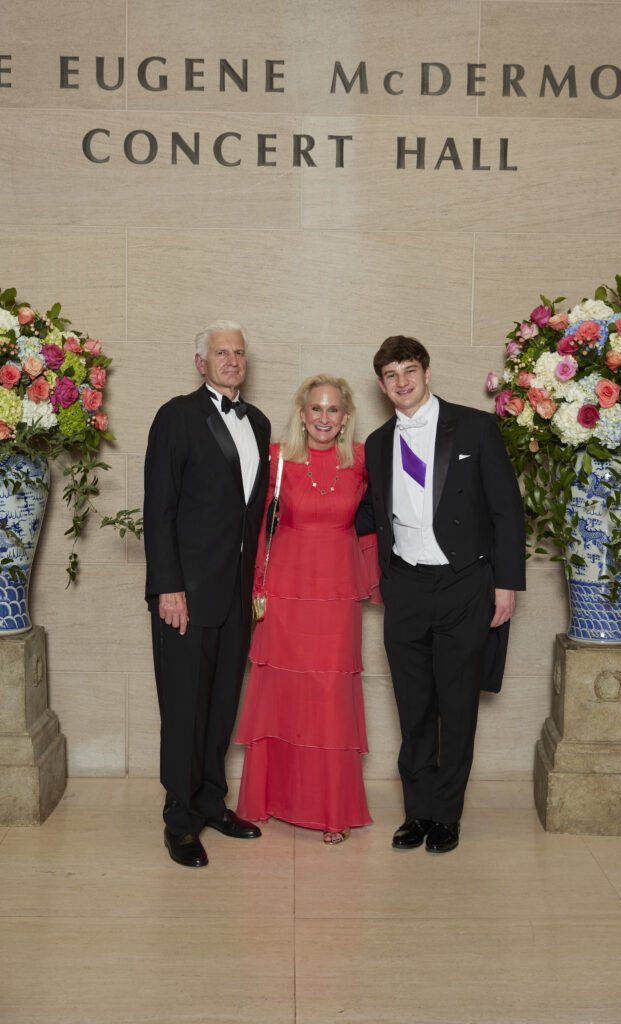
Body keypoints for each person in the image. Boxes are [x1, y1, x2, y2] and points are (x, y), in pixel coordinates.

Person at [355, 336, 526, 855]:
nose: (401, 381)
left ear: (427, 373)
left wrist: (507, 583)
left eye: (409, 370)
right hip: (405, 586)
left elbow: (505, 511)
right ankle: (418, 812)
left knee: (456, 704)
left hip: (464, 585)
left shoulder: (474, 426)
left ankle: (447, 815)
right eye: (391, 374)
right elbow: (368, 516)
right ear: (381, 385)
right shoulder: (379, 443)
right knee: (413, 706)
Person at [143, 321, 271, 868]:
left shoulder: (260, 423)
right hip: (186, 596)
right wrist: (168, 586)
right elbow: (159, 509)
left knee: (222, 703)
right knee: (184, 705)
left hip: (237, 594)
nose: (232, 360)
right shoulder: (176, 416)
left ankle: (213, 803)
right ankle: (179, 819)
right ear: (201, 362)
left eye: (238, 353)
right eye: (221, 352)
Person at [235, 374, 379, 844]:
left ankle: (329, 809)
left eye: (332, 410)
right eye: (315, 409)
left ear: (345, 417)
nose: (323, 417)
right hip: (285, 592)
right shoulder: (277, 458)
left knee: (328, 697)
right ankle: (271, 799)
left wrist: (379, 583)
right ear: (302, 413)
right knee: (281, 691)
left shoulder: (361, 461)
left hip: (336, 595)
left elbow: (379, 523)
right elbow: (259, 529)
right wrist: (256, 585)